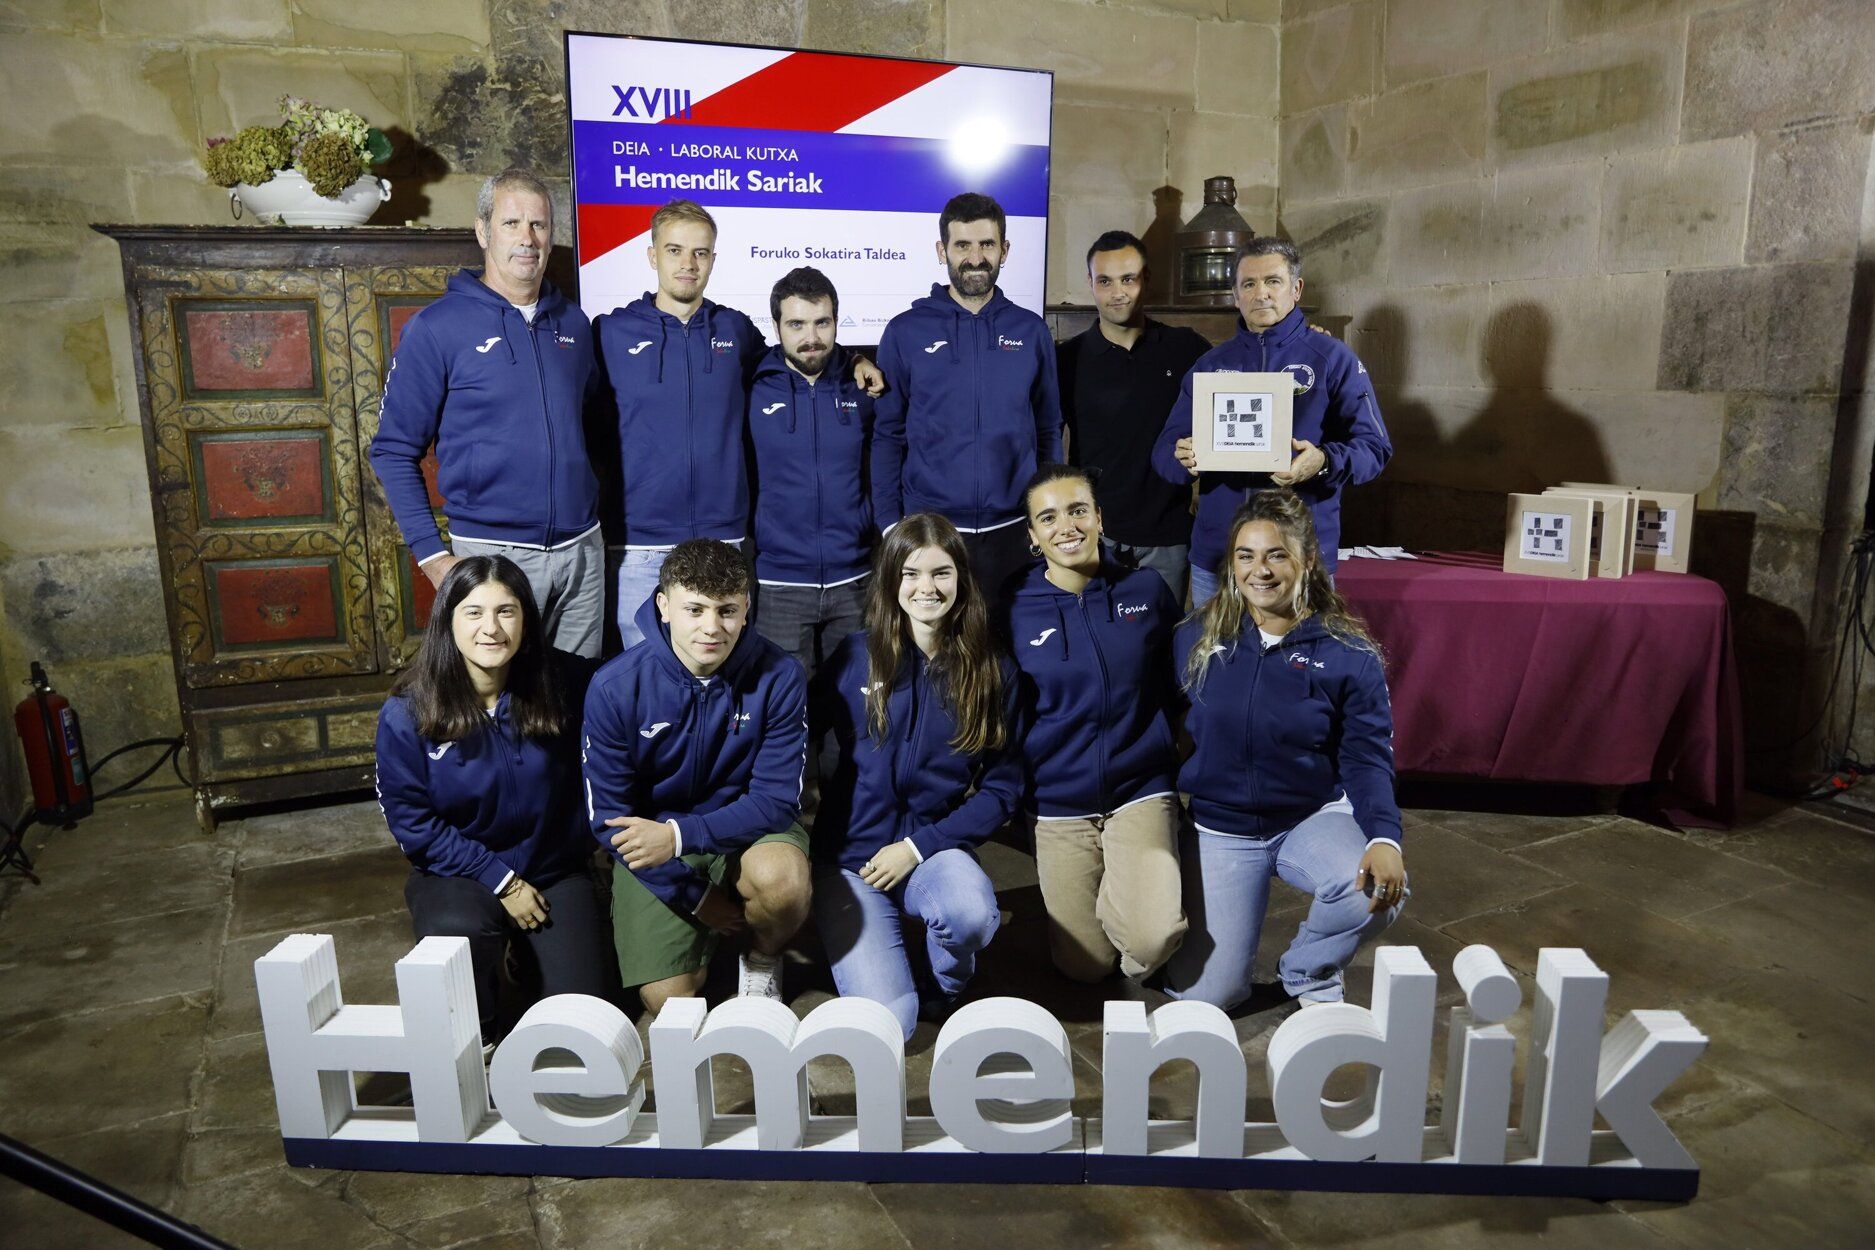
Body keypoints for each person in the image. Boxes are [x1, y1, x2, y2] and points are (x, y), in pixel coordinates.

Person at [593, 201, 883, 647]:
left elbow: (798, 357)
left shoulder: (735, 330)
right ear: (653, 256)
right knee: (648, 684)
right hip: (639, 550)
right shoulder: (611, 333)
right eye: (675, 251)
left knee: (723, 681)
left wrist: (857, 359)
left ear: (712, 259)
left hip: (725, 541)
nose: (688, 264)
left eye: (701, 253)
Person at [1162, 491, 1406, 1011]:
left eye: (1277, 554)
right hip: (1220, 828)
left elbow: (1366, 757)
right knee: (1211, 998)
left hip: (1307, 816)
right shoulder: (1196, 637)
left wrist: (1385, 836)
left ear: (1308, 560)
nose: (1260, 570)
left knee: (1376, 889)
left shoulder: (1348, 652)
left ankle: (1306, 969)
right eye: (1246, 556)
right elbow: (1160, 727)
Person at [374, 555, 616, 1047]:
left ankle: (525, 952)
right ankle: (478, 1025)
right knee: (457, 929)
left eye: (506, 611)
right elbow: (412, 822)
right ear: (448, 620)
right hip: (459, 875)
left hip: (553, 870)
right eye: (474, 612)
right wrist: (503, 882)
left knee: (588, 1020)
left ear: (526, 619)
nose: (492, 628)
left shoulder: (563, 683)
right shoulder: (409, 711)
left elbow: (638, 674)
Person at [370, 169, 605, 656]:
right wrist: (434, 558)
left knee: (575, 698)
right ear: (482, 231)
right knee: (498, 704)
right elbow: (392, 450)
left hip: (582, 552)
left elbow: (589, 428)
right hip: (493, 555)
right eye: (511, 223)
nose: (527, 238)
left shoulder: (575, 325)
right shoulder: (436, 328)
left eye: (538, 225)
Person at [811, 513, 1023, 1040]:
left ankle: (945, 982)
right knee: (892, 1026)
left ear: (962, 580)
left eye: (941, 572)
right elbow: (794, 736)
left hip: (929, 851)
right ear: (891, 581)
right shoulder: (855, 656)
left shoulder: (991, 671)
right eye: (910, 573)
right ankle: (857, 941)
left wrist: (918, 847)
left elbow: (1003, 789)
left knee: (970, 915)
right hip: (851, 862)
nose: (926, 587)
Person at [581, 538, 811, 1012]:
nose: (712, 628)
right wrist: (693, 894)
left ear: (746, 608)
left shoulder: (780, 675)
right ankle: (689, 926)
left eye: (727, 610)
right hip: (653, 846)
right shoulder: (615, 687)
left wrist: (681, 835)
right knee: (668, 1001)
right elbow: (610, 819)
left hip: (746, 827)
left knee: (783, 887)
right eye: (695, 609)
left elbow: (776, 801)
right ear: (664, 607)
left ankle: (762, 957)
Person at [1002, 464, 1187, 983]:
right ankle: (1132, 885)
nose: (1068, 526)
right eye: (1049, 517)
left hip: (1140, 789)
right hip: (1059, 805)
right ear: (1033, 536)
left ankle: (1156, 876)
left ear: (1099, 517)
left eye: (1078, 510)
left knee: (1153, 941)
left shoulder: (1147, 589)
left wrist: (1174, 747)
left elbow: (1180, 684)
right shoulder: (1013, 610)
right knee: (1084, 966)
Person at [1151, 237, 1391, 604]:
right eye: (1249, 284)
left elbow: (1375, 449)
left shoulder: (1333, 359)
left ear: (1295, 289)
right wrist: (1181, 458)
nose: (1261, 294)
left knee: (1296, 660)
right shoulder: (1211, 365)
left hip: (1299, 555)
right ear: (1235, 295)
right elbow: (1165, 452)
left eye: (1273, 282)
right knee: (1213, 660)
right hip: (1220, 557)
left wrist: (1323, 461)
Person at [872, 192, 1062, 601]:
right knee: (936, 655)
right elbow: (887, 434)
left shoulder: (1031, 332)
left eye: (987, 245)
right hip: (931, 533)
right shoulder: (905, 331)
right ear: (942, 251)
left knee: (1006, 652)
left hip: (1014, 531)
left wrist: (1047, 515)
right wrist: (890, 524)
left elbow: (1048, 430)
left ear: (1004, 250)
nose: (975, 258)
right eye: (962, 245)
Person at [1057, 231, 1212, 604]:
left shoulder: (1185, 348)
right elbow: (1042, 443)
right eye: (1105, 281)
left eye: (1128, 279)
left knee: (1161, 648)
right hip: (1095, 537)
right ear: (1090, 284)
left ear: (1146, 281)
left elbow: (1244, 376)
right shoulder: (1067, 360)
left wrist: (1303, 339)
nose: (1118, 292)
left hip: (1169, 536)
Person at [748, 267, 876, 680]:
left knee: (856, 714)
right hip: (780, 585)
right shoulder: (750, 383)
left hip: (856, 578)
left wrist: (857, 358)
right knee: (786, 712)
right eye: (797, 324)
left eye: (822, 322)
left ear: (837, 321)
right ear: (776, 326)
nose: (811, 337)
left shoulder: (864, 386)